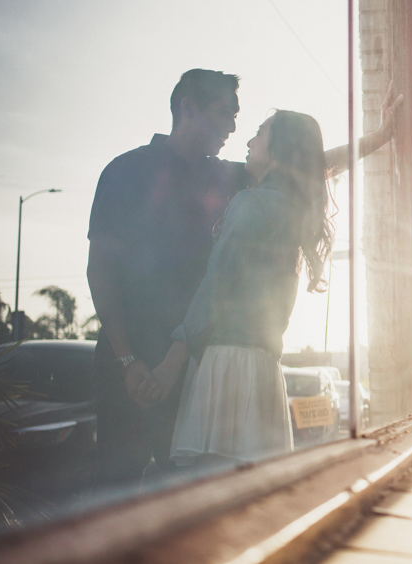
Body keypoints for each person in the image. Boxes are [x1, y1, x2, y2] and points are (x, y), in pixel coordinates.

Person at [87, 69, 401, 487]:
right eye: (225, 114)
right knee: (111, 505)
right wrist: (127, 362)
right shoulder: (124, 171)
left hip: (187, 372)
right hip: (126, 370)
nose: (234, 127)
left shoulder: (228, 178)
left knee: (184, 509)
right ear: (188, 108)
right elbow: (99, 270)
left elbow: (306, 163)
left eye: (238, 117)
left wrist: (377, 139)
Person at [141, 110, 332, 466]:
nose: (248, 140)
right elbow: (319, 161)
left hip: (226, 368)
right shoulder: (294, 210)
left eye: (260, 133)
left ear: (279, 150)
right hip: (263, 373)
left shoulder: (251, 203)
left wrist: (173, 358)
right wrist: (380, 137)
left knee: (208, 492)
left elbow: (216, 287)